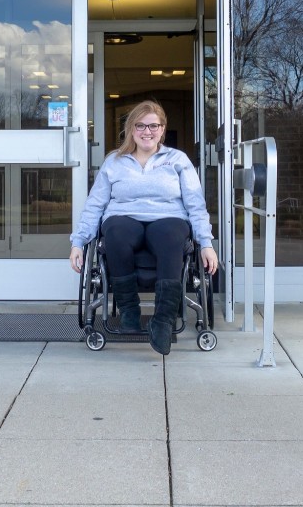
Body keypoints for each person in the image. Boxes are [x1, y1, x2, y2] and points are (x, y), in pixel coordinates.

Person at [69, 100, 219, 355]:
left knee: (170, 236)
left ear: (162, 129)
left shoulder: (177, 160)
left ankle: (163, 319)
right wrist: (78, 242)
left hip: (168, 218)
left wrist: (206, 244)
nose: (147, 131)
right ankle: (129, 311)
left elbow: (195, 204)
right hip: (124, 218)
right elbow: (95, 205)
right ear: (131, 129)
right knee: (114, 232)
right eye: (140, 125)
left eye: (153, 126)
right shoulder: (115, 162)